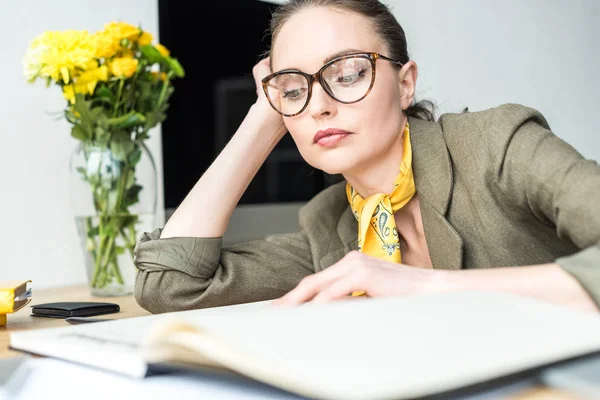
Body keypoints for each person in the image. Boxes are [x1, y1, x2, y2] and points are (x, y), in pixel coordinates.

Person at [133, 0, 600, 314]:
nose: (319, 104)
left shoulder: (497, 145)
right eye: (294, 88)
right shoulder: (328, 225)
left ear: (405, 83)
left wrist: (428, 289)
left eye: (349, 74)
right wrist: (262, 118)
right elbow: (170, 283)